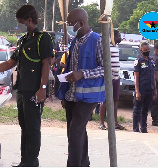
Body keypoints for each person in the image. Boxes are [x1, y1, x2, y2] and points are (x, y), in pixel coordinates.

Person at [0, 5, 53, 166]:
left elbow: (47, 64)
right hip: (23, 89)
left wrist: (43, 88)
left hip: (35, 90)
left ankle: (32, 162)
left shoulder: (42, 39)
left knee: (32, 127)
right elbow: (10, 63)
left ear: (30, 20)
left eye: (22, 23)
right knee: (24, 126)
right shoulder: (24, 40)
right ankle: (25, 161)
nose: (21, 26)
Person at [57, 8, 105, 167]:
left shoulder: (97, 40)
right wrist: (64, 93)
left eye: (71, 24)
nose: (69, 26)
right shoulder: (74, 41)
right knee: (75, 131)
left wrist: (83, 74)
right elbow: (70, 67)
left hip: (89, 96)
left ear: (82, 23)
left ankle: (74, 165)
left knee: (76, 130)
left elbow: (106, 69)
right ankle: (83, 163)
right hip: (72, 95)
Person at [99, 30, 124, 130]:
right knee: (104, 100)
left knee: (115, 99)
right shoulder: (106, 46)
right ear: (113, 36)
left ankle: (114, 122)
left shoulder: (116, 46)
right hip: (108, 77)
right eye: (118, 36)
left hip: (116, 76)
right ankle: (101, 122)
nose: (120, 38)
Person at [133, 42, 157, 133]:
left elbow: (153, 76)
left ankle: (144, 129)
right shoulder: (138, 61)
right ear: (141, 50)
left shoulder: (151, 61)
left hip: (149, 89)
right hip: (141, 88)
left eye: (148, 50)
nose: (148, 51)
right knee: (137, 110)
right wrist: (137, 91)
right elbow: (136, 77)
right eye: (145, 50)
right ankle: (135, 129)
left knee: (145, 110)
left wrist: (154, 90)